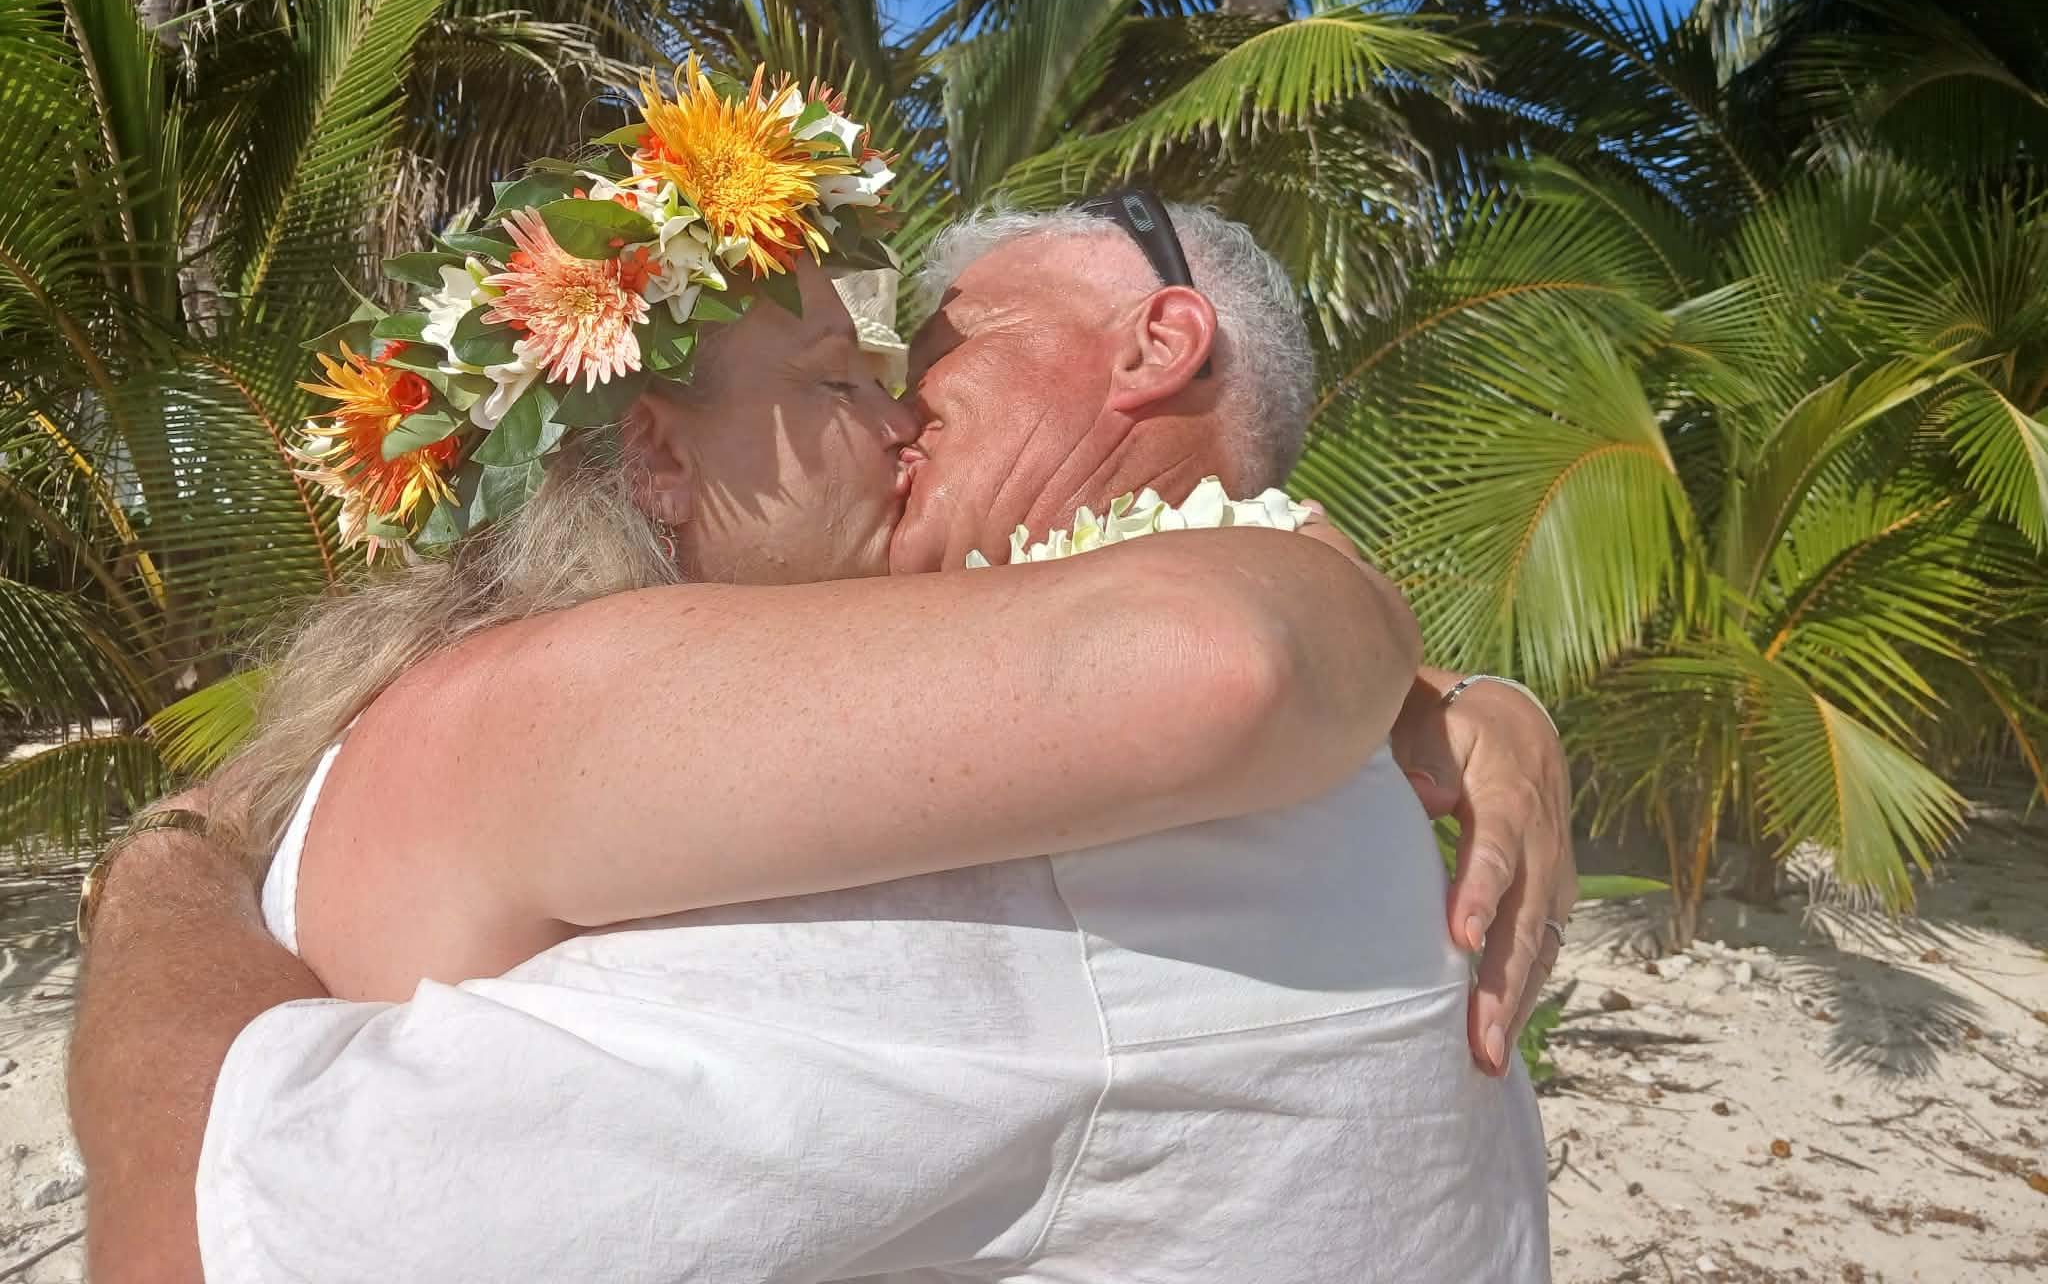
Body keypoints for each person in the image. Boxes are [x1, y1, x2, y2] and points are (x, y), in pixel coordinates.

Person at [70, 198, 1569, 1282]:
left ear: (1158, 342)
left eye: (924, 349)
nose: (905, 412)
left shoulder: (1102, 802)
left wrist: (1423, 680)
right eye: (849, 379)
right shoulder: (1176, 743)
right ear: (649, 448)